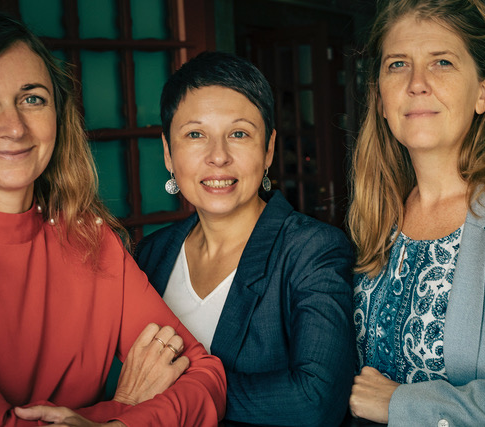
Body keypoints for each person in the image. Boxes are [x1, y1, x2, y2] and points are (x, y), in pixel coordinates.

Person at [0, 12, 226, 427]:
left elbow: (206, 375)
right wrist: (121, 407)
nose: (13, 127)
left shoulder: (90, 240)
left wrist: (119, 424)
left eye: (33, 98)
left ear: (57, 115)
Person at [347, 0, 485, 424]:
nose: (416, 83)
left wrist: (405, 406)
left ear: (484, 92)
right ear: (379, 98)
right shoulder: (376, 217)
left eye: (442, 62)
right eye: (397, 65)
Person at [132, 51, 356, 426]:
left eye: (238, 134)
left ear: (268, 149)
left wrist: (178, 397)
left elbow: (316, 400)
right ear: (169, 153)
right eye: (195, 135)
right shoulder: (152, 255)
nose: (218, 157)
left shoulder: (312, 251)